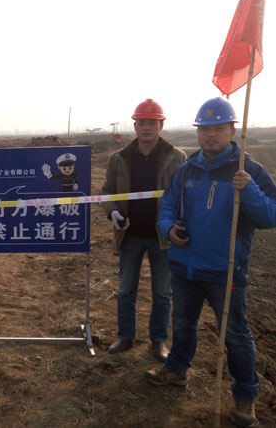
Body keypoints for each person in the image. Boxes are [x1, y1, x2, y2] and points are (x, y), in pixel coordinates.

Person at [145, 97, 276, 427]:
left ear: (233, 131)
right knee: (183, 324)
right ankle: (177, 370)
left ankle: (245, 395)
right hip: (185, 267)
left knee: (235, 335)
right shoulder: (185, 170)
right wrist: (169, 228)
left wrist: (249, 191)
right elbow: (167, 207)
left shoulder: (249, 171)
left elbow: (270, 216)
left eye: (218, 128)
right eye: (204, 129)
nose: (211, 134)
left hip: (226, 271)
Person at [102, 99, 186, 362]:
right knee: (126, 290)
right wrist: (113, 212)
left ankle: (158, 341)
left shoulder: (176, 157)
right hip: (130, 236)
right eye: (141, 123)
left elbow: (185, 195)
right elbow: (108, 192)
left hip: (163, 237)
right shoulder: (119, 158)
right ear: (135, 126)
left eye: (152, 123)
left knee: (162, 293)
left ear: (161, 125)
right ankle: (125, 336)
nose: (146, 127)